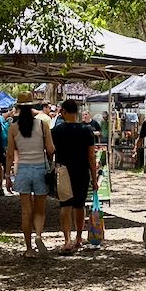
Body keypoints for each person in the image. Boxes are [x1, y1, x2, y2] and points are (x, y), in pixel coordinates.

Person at [6, 93, 55, 256]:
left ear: (18, 107)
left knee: (26, 211)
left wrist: (7, 175)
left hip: (23, 170)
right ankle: (39, 235)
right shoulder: (42, 125)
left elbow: (10, 155)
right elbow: (50, 149)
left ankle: (28, 249)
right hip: (41, 168)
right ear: (32, 107)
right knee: (40, 209)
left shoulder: (13, 127)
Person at [52, 100, 100, 254]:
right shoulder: (87, 130)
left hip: (63, 171)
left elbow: (50, 152)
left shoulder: (56, 131)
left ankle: (67, 240)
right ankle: (79, 237)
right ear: (77, 112)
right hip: (81, 171)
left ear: (63, 111)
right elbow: (91, 156)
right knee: (79, 205)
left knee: (65, 205)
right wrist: (94, 177)